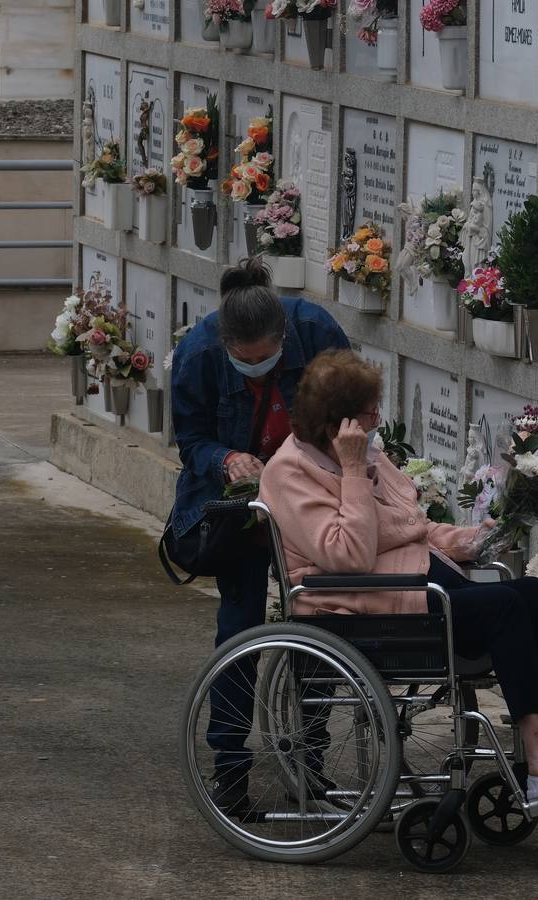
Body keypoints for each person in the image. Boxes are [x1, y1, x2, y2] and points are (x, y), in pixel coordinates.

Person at [258, 350, 538, 803]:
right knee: (505, 607)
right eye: (368, 413)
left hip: (416, 587)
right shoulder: (291, 472)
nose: (377, 419)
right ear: (336, 424)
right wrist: (355, 470)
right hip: (366, 605)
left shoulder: (361, 454)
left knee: (536, 593)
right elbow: (351, 552)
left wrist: (466, 539)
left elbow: (408, 524)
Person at [166, 257, 349, 817]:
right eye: (241, 363)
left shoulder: (318, 332)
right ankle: (229, 768)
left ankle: (311, 760)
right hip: (239, 507)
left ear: (284, 337)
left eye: (265, 358)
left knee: (316, 621)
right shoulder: (198, 354)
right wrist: (226, 459)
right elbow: (192, 439)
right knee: (239, 626)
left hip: (311, 496)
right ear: (223, 343)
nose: (254, 368)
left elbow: (354, 417)